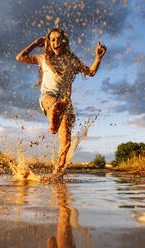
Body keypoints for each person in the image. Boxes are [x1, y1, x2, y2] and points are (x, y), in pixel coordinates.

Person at [16, 28, 106, 178]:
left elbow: (90, 72)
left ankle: (58, 175)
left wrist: (98, 57)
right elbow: (20, 57)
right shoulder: (43, 58)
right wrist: (34, 44)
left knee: (65, 143)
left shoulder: (72, 60)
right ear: (48, 43)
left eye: (58, 39)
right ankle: (54, 116)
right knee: (53, 103)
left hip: (66, 103)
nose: (55, 42)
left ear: (64, 41)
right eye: (52, 40)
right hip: (49, 96)